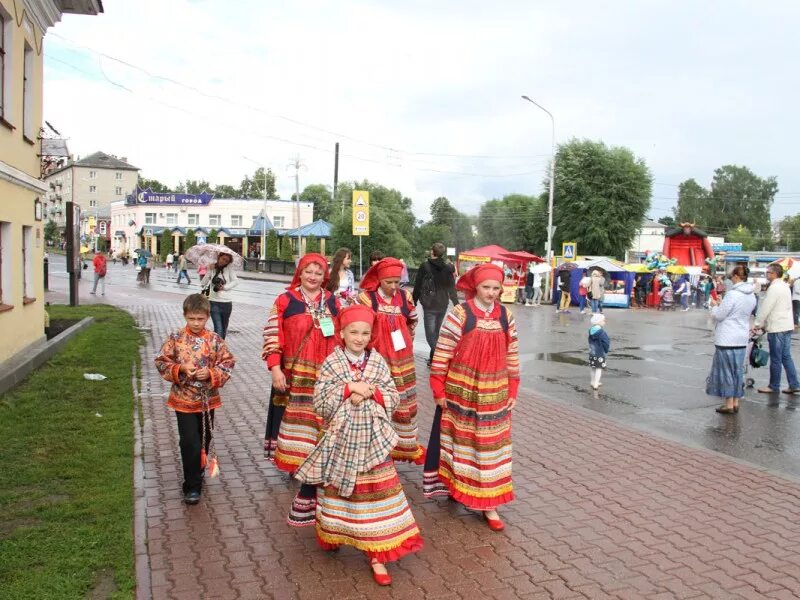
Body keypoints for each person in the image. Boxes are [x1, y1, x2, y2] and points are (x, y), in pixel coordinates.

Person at [294, 304, 423, 586]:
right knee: (341, 492)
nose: (360, 338)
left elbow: (393, 395)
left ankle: (377, 552)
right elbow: (321, 402)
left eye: (365, 333)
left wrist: (370, 392)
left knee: (376, 495)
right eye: (354, 332)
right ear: (342, 332)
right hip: (341, 440)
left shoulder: (377, 362)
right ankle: (336, 532)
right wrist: (348, 389)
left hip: (373, 442)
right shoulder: (332, 362)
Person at [423, 263, 519, 531]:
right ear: (476, 287)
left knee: (491, 449)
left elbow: (512, 353)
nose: (491, 292)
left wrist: (513, 388)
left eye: (496, 288)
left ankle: (489, 504)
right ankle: (459, 488)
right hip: (461, 393)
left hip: (495, 393)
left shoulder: (505, 316)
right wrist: (438, 389)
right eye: (486, 287)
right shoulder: (460, 314)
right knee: (461, 445)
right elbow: (442, 353)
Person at [262, 253, 341, 527]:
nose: (313, 277)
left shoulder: (332, 301)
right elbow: (272, 335)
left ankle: (317, 465)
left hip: (325, 377)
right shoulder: (285, 300)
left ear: (325, 276)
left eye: (318, 273)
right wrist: (275, 368)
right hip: (293, 375)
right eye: (308, 271)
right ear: (300, 272)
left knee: (321, 422)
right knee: (295, 423)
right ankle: (298, 463)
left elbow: (341, 334)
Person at [154, 294, 236, 504]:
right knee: (189, 441)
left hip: (207, 400)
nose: (196, 323)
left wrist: (210, 373)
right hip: (183, 399)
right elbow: (162, 362)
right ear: (185, 316)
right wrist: (180, 368)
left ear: (207, 317)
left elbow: (227, 363)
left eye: (200, 319)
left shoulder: (215, 340)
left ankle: (198, 468)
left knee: (204, 438)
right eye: (192, 319)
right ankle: (192, 486)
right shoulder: (176, 337)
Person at [358, 258, 425, 464]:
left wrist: (406, 341)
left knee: (402, 402)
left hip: (403, 361)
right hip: (377, 361)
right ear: (379, 280)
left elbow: (412, 320)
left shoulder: (405, 297)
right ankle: (373, 448)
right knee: (377, 403)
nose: (394, 286)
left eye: (398, 281)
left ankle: (400, 445)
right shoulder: (367, 299)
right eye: (389, 282)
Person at [706, 266, 757, 414]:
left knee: (726, 371)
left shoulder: (733, 294)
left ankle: (728, 403)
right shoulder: (751, 295)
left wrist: (715, 306)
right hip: (741, 337)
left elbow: (720, 315)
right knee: (737, 371)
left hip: (727, 337)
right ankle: (736, 401)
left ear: (735, 277)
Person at [753, 264, 800, 395]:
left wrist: (757, 323)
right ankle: (794, 384)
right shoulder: (785, 286)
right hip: (786, 325)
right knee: (786, 356)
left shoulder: (774, 288)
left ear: (774, 274)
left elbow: (766, 307)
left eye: (768, 273)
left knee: (776, 358)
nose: (766, 275)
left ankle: (774, 385)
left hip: (777, 326)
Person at [412, 243, 459, 366]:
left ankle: (441, 358)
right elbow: (451, 288)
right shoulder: (448, 268)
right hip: (443, 305)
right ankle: (433, 360)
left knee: (430, 336)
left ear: (432, 252)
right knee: (436, 333)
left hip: (430, 305)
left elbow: (418, 285)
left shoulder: (425, 266)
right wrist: (456, 304)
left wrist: (413, 301)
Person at [200, 251, 239, 339]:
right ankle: (217, 349)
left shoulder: (228, 268)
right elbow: (203, 283)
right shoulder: (212, 267)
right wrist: (209, 270)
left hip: (226, 302)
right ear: (219, 257)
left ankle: (221, 347)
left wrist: (224, 287)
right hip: (214, 302)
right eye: (223, 259)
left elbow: (236, 281)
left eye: (226, 261)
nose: (224, 262)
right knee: (218, 328)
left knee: (224, 327)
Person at [588, 313, 611, 390]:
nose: (604, 322)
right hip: (599, 353)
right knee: (599, 368)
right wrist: (606, 349)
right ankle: (596, 383)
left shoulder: (591, 330)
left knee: (593, 367)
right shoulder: (602, 332)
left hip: (592, 352)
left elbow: (589, 341)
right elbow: (606, 342)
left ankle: (592, 381)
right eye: (603, 320)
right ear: (599, 322)